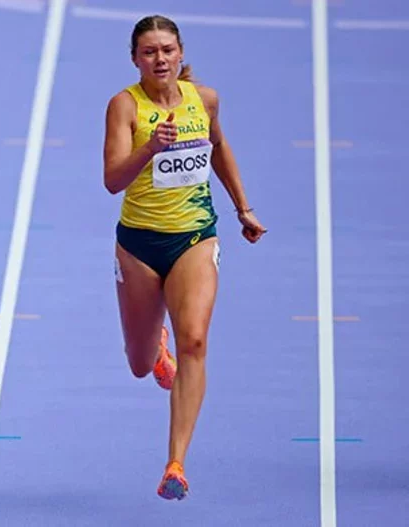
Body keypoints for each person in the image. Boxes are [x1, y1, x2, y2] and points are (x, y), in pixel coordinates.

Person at [102, 15, 266, 501]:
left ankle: (175, 463)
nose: (160, 59)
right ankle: (155, 348)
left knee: (194, 340)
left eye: (167, 50)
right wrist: (150, 148)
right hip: (139, 244)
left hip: (195, 238)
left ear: (180, 53)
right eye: (149, 52)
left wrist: (243, 208)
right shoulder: (124, 106)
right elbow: (112, 180)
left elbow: (218, 147)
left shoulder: (204, 100)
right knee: (138, 364)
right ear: (135, 59)